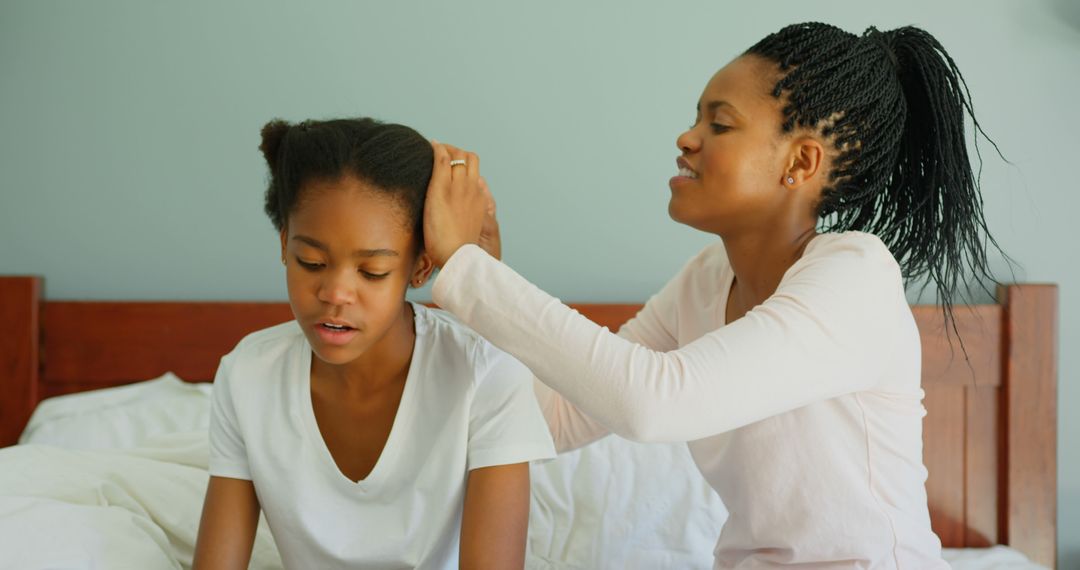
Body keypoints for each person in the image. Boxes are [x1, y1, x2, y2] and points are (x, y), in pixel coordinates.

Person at [423, 23, 1006, 568]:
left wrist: (472, 274)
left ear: (801, 161)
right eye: (696, 119)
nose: (686, 138)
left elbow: (653, 403)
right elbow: (555, 419)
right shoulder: (705, 278)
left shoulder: (855, 277)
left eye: (719, 125)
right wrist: (484, 276)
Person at [192, 117, 555, 569]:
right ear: (285, 245)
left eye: (372, 272)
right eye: (311, 262)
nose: (335, 294)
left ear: (420, 269)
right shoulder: (248, 374)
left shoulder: (485, 372)